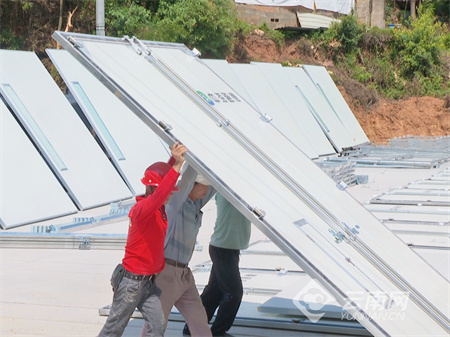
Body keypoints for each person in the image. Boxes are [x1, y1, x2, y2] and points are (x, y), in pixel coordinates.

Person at [98, 141, 187, 337]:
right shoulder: (142, 210)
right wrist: (177, 166)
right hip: (131, 284)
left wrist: (175, 156)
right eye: (169, 191)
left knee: (157, 327)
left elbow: (161, 182)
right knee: (113, 330)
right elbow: (162, 190)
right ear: (155, 190)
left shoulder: (157, 208)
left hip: (147, 283)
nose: (171, 194)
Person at [140, 164, 215, 337]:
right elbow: (186, 181)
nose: (207, 189)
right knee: (155, 324)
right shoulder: (174, 204)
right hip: (166, 274)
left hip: (184, 275)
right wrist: (192, 157)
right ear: (193, 186)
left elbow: (214, 189)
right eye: (204, 185)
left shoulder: (195, 204)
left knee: (199, 320)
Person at [184, 193, 251, 336]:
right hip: (222, 249)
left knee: (214, 292)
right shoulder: (228, 192)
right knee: (234, 293)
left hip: (229, 248)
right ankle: (218, 332)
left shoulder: (244, 191)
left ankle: (191, 329)